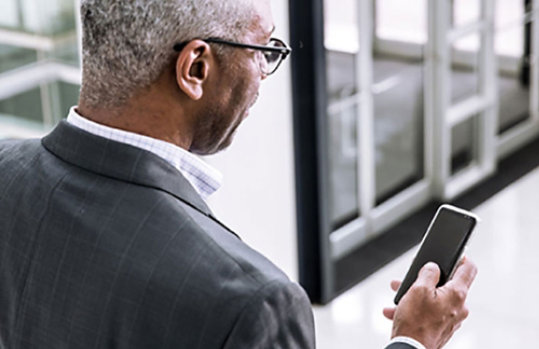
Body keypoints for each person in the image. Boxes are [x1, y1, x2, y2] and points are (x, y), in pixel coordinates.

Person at [0, 0, 477, 348]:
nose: (265, 73)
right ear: (196, 67)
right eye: (263, 50)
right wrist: (412, 342)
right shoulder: (253, 303)